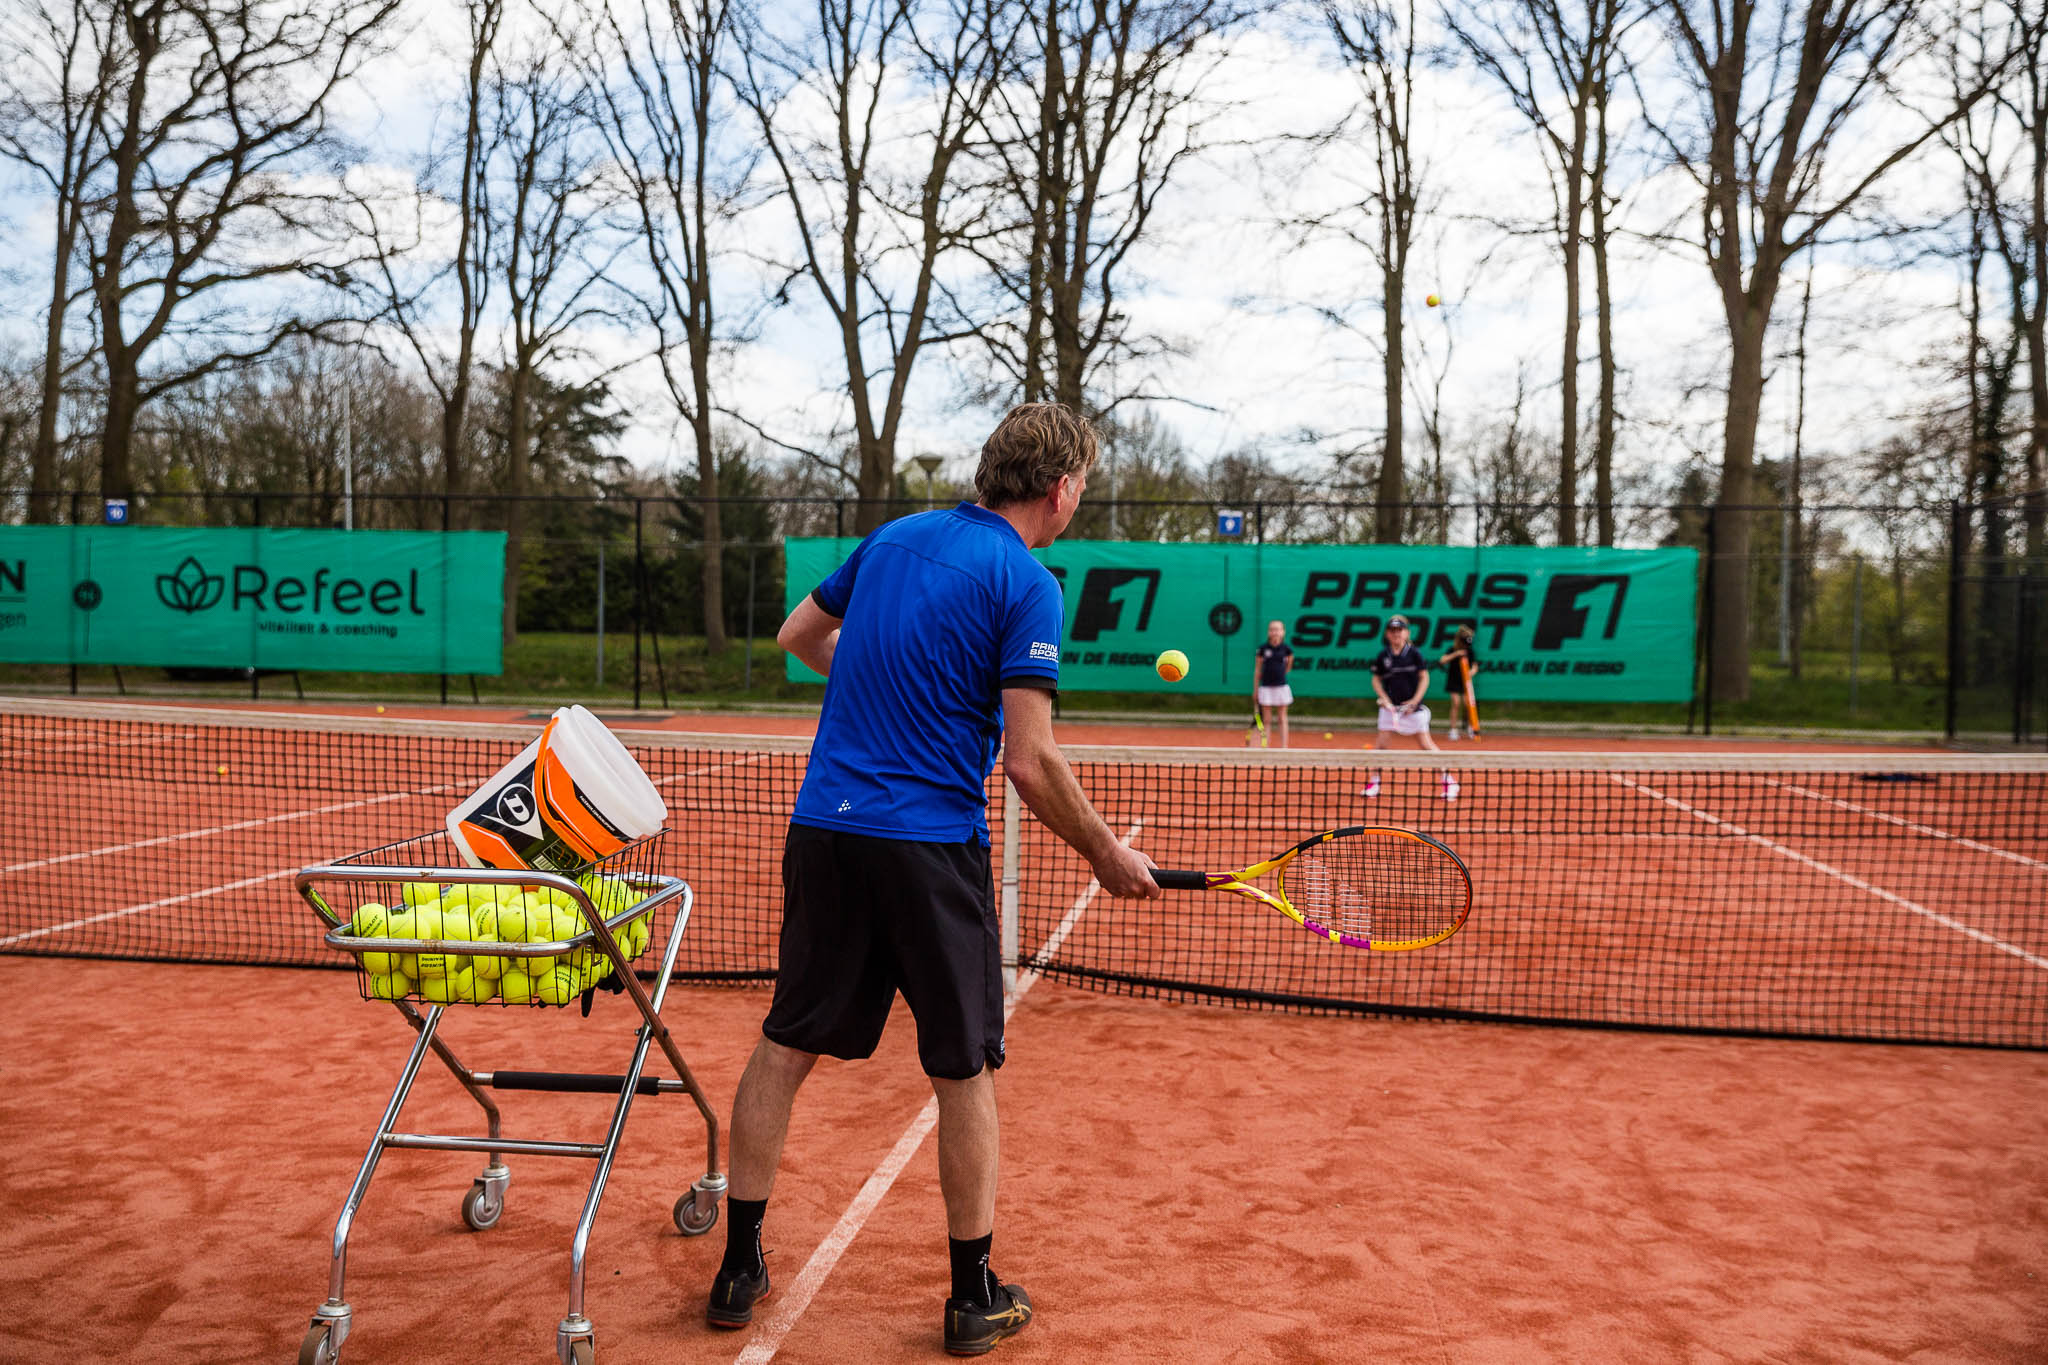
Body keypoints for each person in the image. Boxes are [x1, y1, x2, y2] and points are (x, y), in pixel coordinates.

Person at [710, 402, 1161, 1357]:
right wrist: (1106, 854)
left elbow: (799, 635)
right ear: (1062, 489)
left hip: (825, 830)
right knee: (964, 1068)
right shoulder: (1028, 582)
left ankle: (737, 1262)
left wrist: (884, 684)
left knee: (785, 1044)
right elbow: (1031, 765)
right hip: (927, 849)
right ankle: (973, 1294)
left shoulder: (893, 537)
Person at [1361, 616, 1457, 801]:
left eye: (1400, 630)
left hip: (1413, 711)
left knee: (1426, 746)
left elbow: (1424, 677)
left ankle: (1449, 781)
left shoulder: (1414, 653)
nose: (1396, 633)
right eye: (1392, 630)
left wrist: (1415, 701)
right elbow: (1376, 679)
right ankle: (1374, 782)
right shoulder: (1383, 655)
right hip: (1390, 710)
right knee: (1380, 747)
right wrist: (1385, 699)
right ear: (1387, 634)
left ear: (1407, 633)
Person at [1252, 619, 1295, 748]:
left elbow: (1288, 667)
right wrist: (1255, 690)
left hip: (1282, 687)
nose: (1275, 632)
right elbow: (1258, 669)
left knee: (1282, 718)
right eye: (1272, 629)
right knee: (1267, 720)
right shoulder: (1262, 649)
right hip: (1265, 688)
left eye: (1278, 629)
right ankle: (1265, 747)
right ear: (1268, 632)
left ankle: (1284, 747)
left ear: (1283, 632)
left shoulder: (1287, 650)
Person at [1437, 625, 1481, 742]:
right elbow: (1442, 660)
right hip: (1453, 681)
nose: (1466, 646)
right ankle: (1453, 730)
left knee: (1468, 704)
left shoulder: (1470, 652)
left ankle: (1471, 728)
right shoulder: (1452, 649)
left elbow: (1475, 667)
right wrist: (1456, 654)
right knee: (1456, 703)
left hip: (1465, 682)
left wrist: (1470, 673)